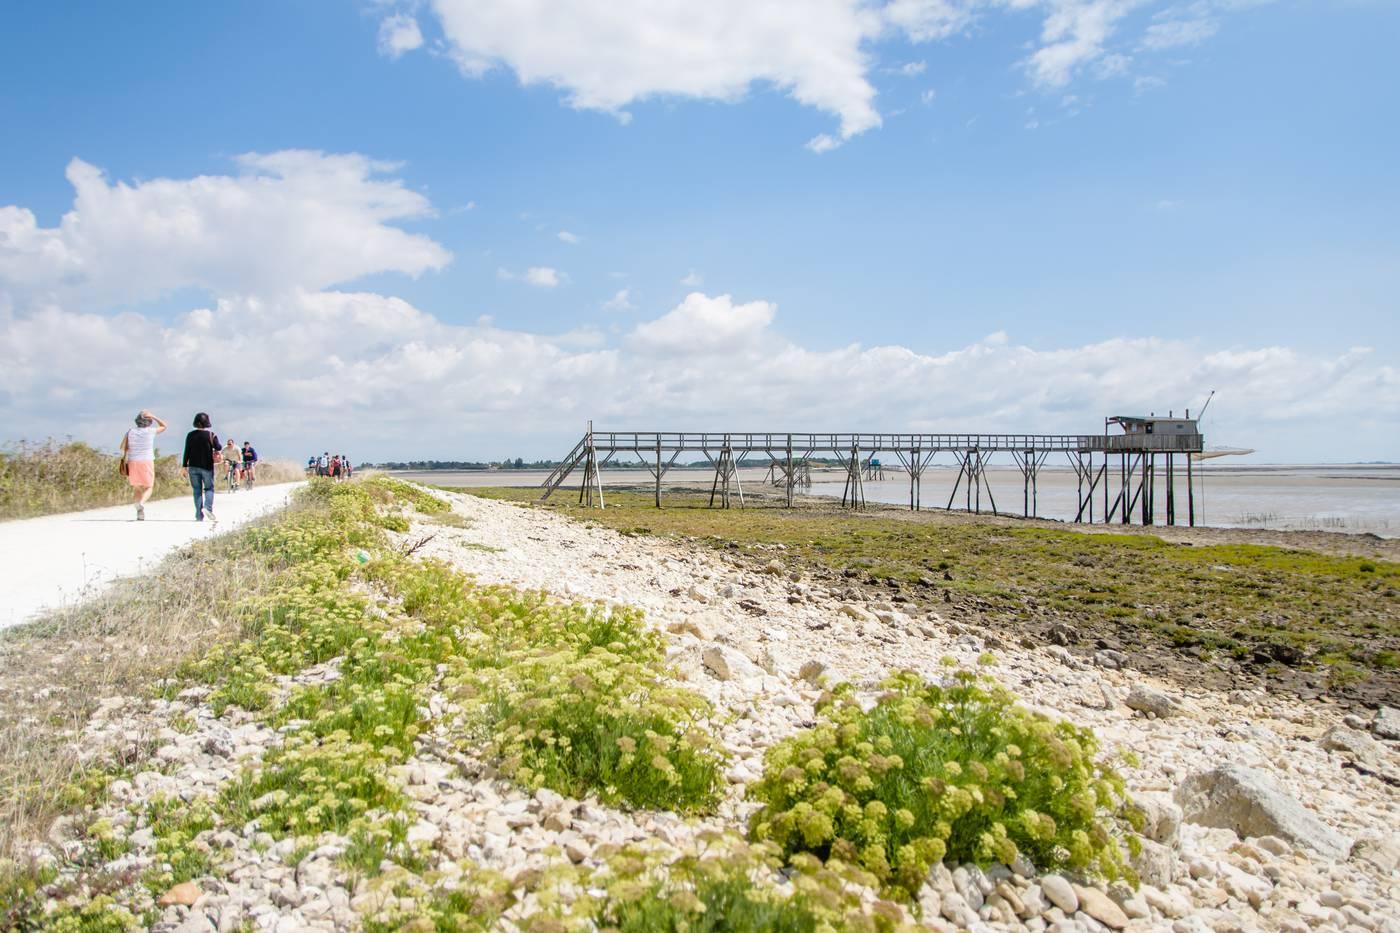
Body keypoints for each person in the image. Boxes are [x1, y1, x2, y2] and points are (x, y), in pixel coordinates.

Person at [119, 410, 167, 521]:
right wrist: (154, 416)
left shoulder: (130, 432)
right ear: (148, 422)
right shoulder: (150, 431)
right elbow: (164, 426)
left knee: (136, 487)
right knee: (149, 486)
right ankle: (141, 503)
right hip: (146, 461)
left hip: (132, 461)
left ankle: (139, 511)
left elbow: (123, 447)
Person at [181, 413, 220, 522]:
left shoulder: (190, 435)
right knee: (209, 488)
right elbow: (219, 447)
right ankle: (208, 508)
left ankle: (199, 515)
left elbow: (186, 451)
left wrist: (184, 466)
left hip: (193, 466)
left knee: (197, 490)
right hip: (207, 466)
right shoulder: (211, 435)